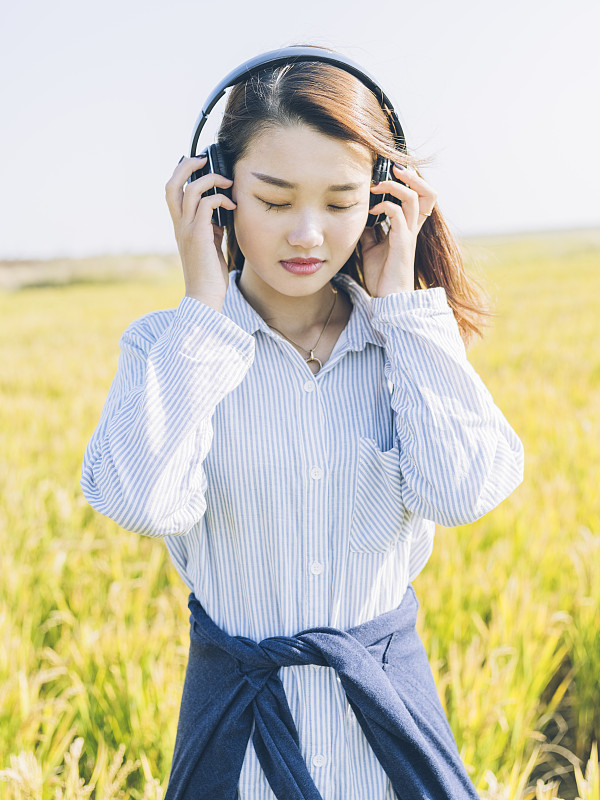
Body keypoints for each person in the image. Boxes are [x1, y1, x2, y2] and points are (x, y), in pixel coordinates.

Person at [81, 46, 524, 800]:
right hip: (238, 744)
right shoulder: (167, 349)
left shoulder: (408, 347)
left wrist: (407, 314)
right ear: (217, 194)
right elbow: (143, 502)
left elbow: (462, 494)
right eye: (276, 200)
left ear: (385, 200)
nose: (308, 235)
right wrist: (202, 305)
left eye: (341, 201)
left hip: (387, 739)